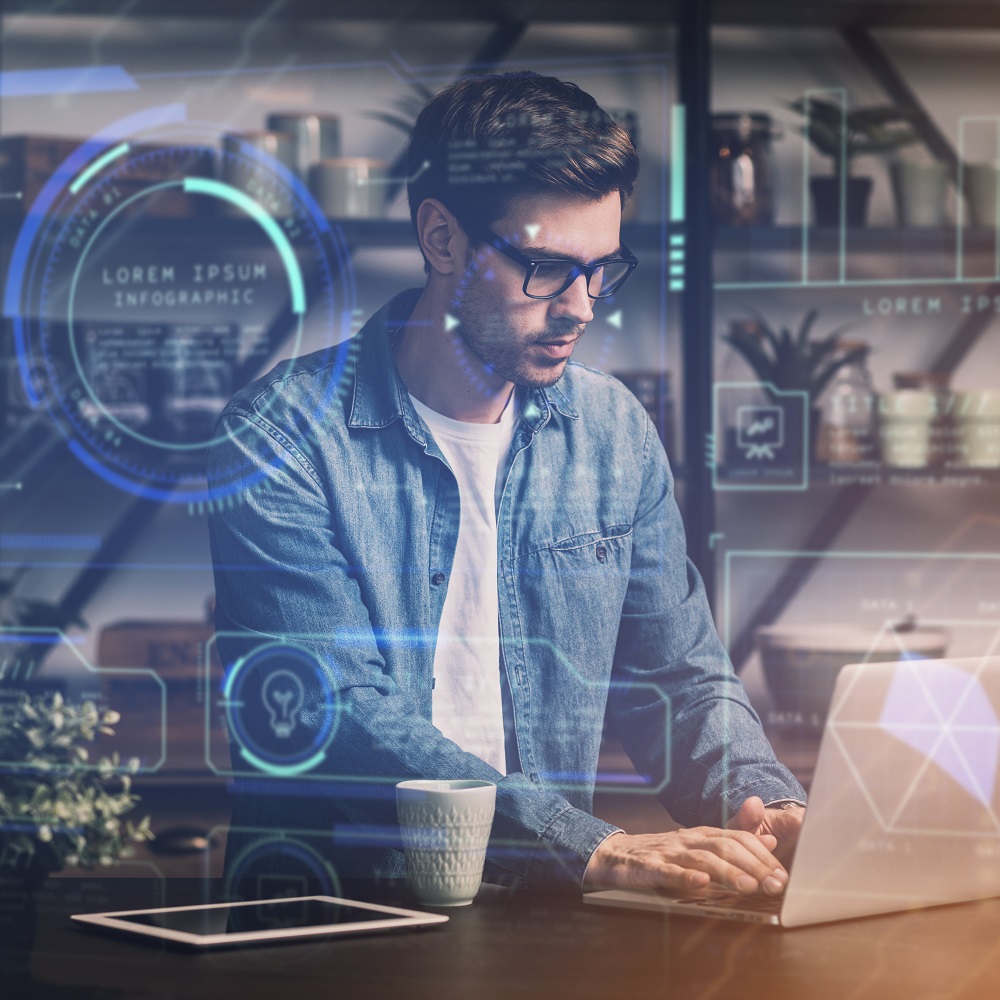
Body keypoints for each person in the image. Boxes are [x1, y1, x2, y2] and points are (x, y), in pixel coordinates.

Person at [207, 71, 805, 895]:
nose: (583, 308)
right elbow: (338, 712)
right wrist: (584, 845)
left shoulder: (613, 432)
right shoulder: (277, 437)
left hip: (545, 915)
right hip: (335, 921)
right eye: (546, 269)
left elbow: (676, 676)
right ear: (442, 238)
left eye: (603, 270)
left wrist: (764, 806)